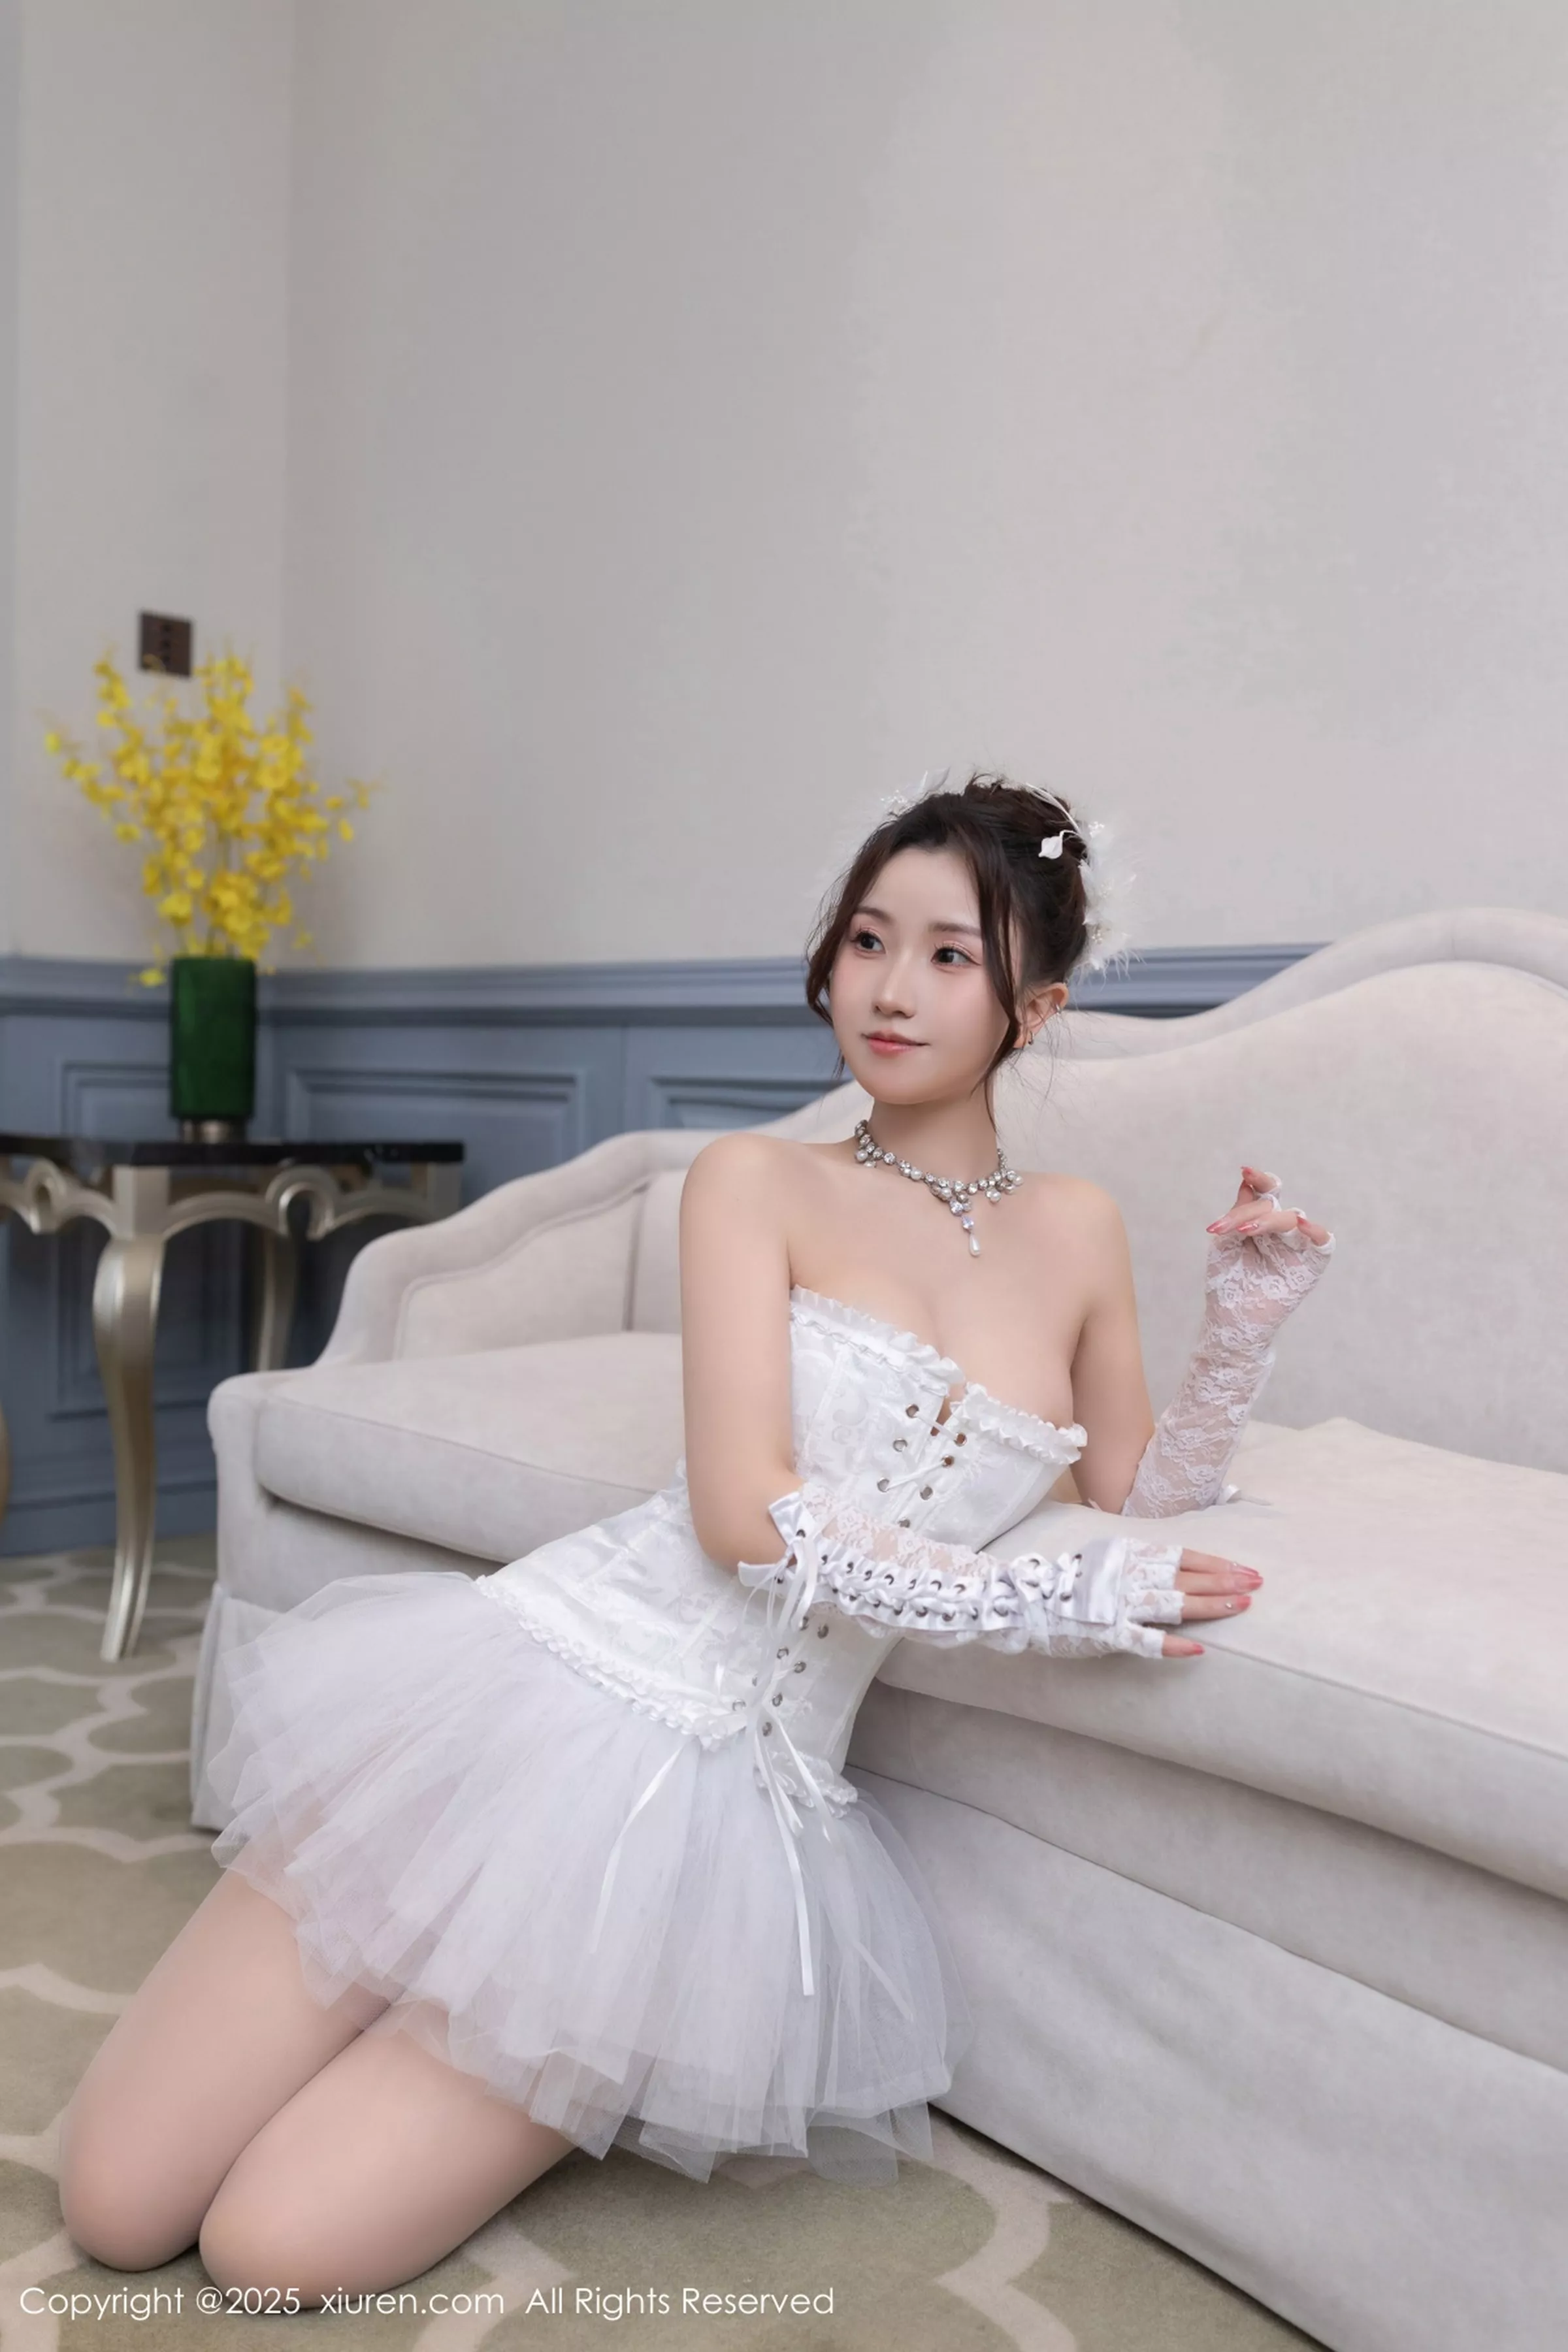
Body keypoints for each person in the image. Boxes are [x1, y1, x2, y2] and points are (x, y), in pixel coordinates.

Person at [55, 771, 1333, 2306]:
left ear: (1035, 1007)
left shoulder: (1079, 1230)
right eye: (868, 938)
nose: (890, 987)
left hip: (708, 1818)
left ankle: (424, 2015)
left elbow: (1132, 1508)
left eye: (950, 955)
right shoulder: (756, 1182)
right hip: (539, 1681)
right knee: (116, 2204)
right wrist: (1043, 1602)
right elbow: (745, 1514)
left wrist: (1243, 1331)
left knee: (272, 2249)